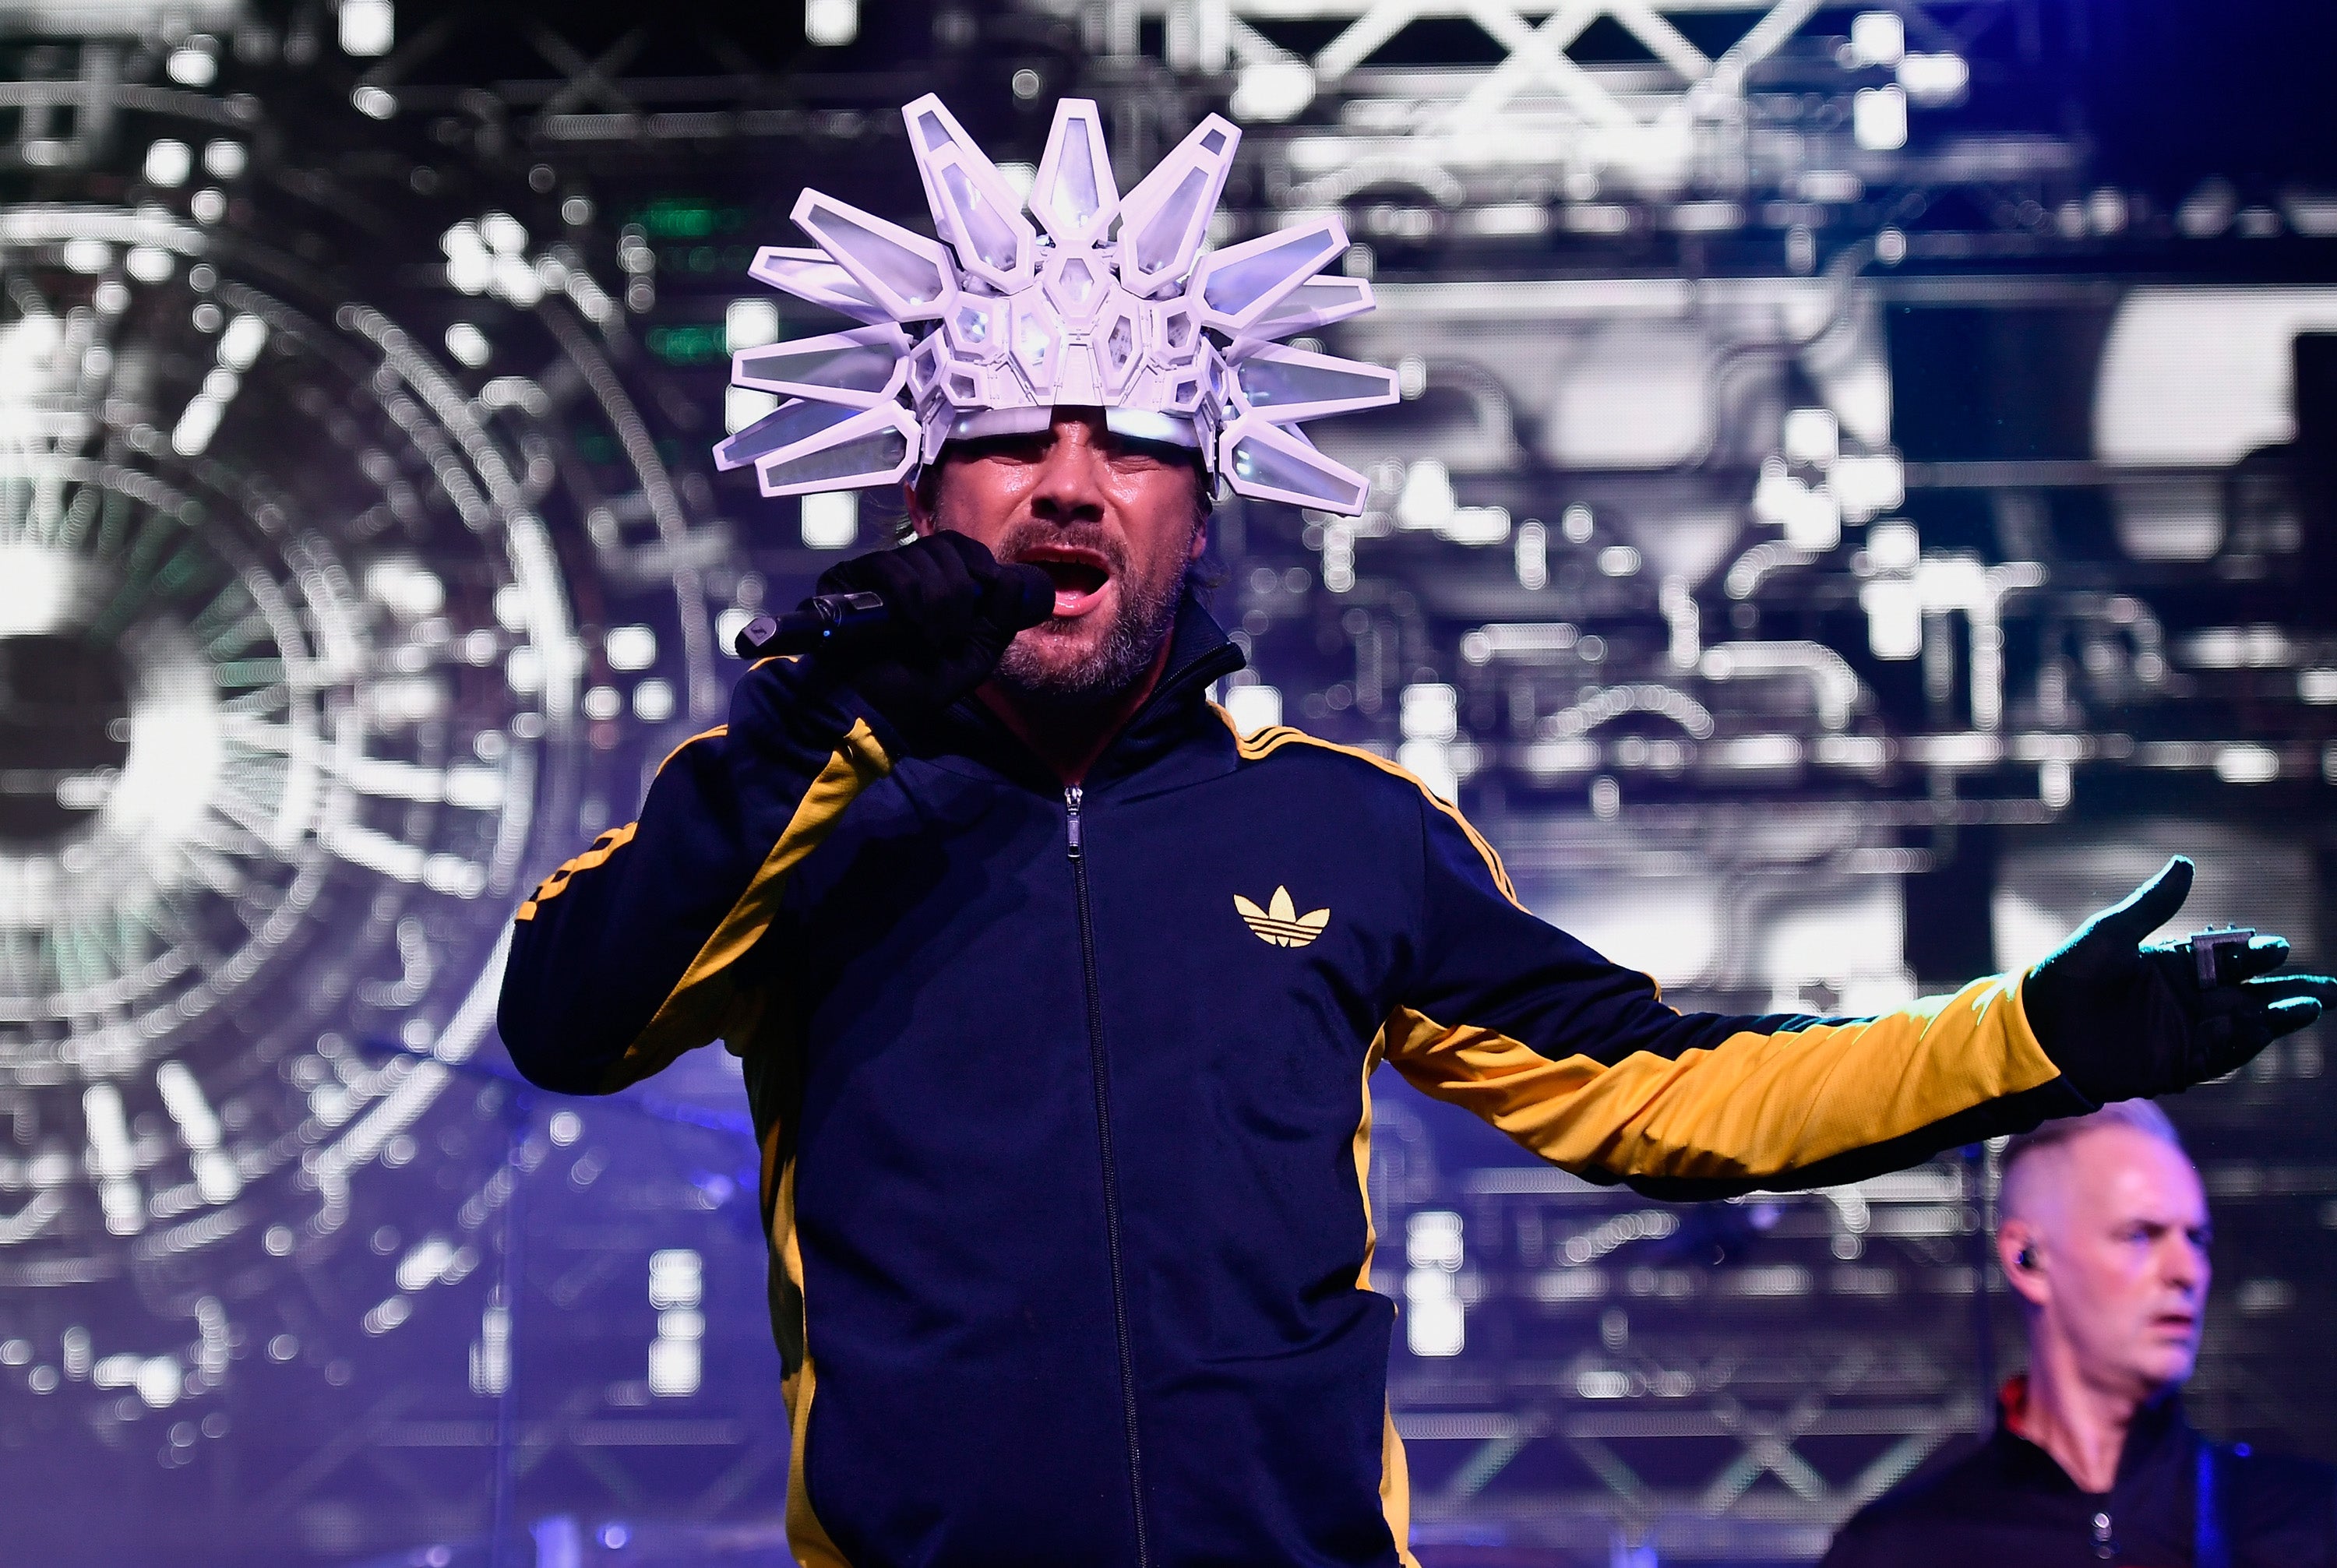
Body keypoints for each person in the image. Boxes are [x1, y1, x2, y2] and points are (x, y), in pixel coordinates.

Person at [495, 94, 2335, 1568]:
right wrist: (812, 712)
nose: (1068, 477)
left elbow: (1672, 1091)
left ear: (1197, 506)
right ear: (923, 485)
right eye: (1004, 431)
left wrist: (2032, 1042)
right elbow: (568, 1018)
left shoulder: (1342, 829)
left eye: (1130, 434)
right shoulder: (803, 805)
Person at [1821, 1102, 2337, 1566]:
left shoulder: (2309, 1522)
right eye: (2141, 1234)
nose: (2188, 1270)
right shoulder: (1899, 1548)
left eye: (2197, 1238)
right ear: (2028, 1260)